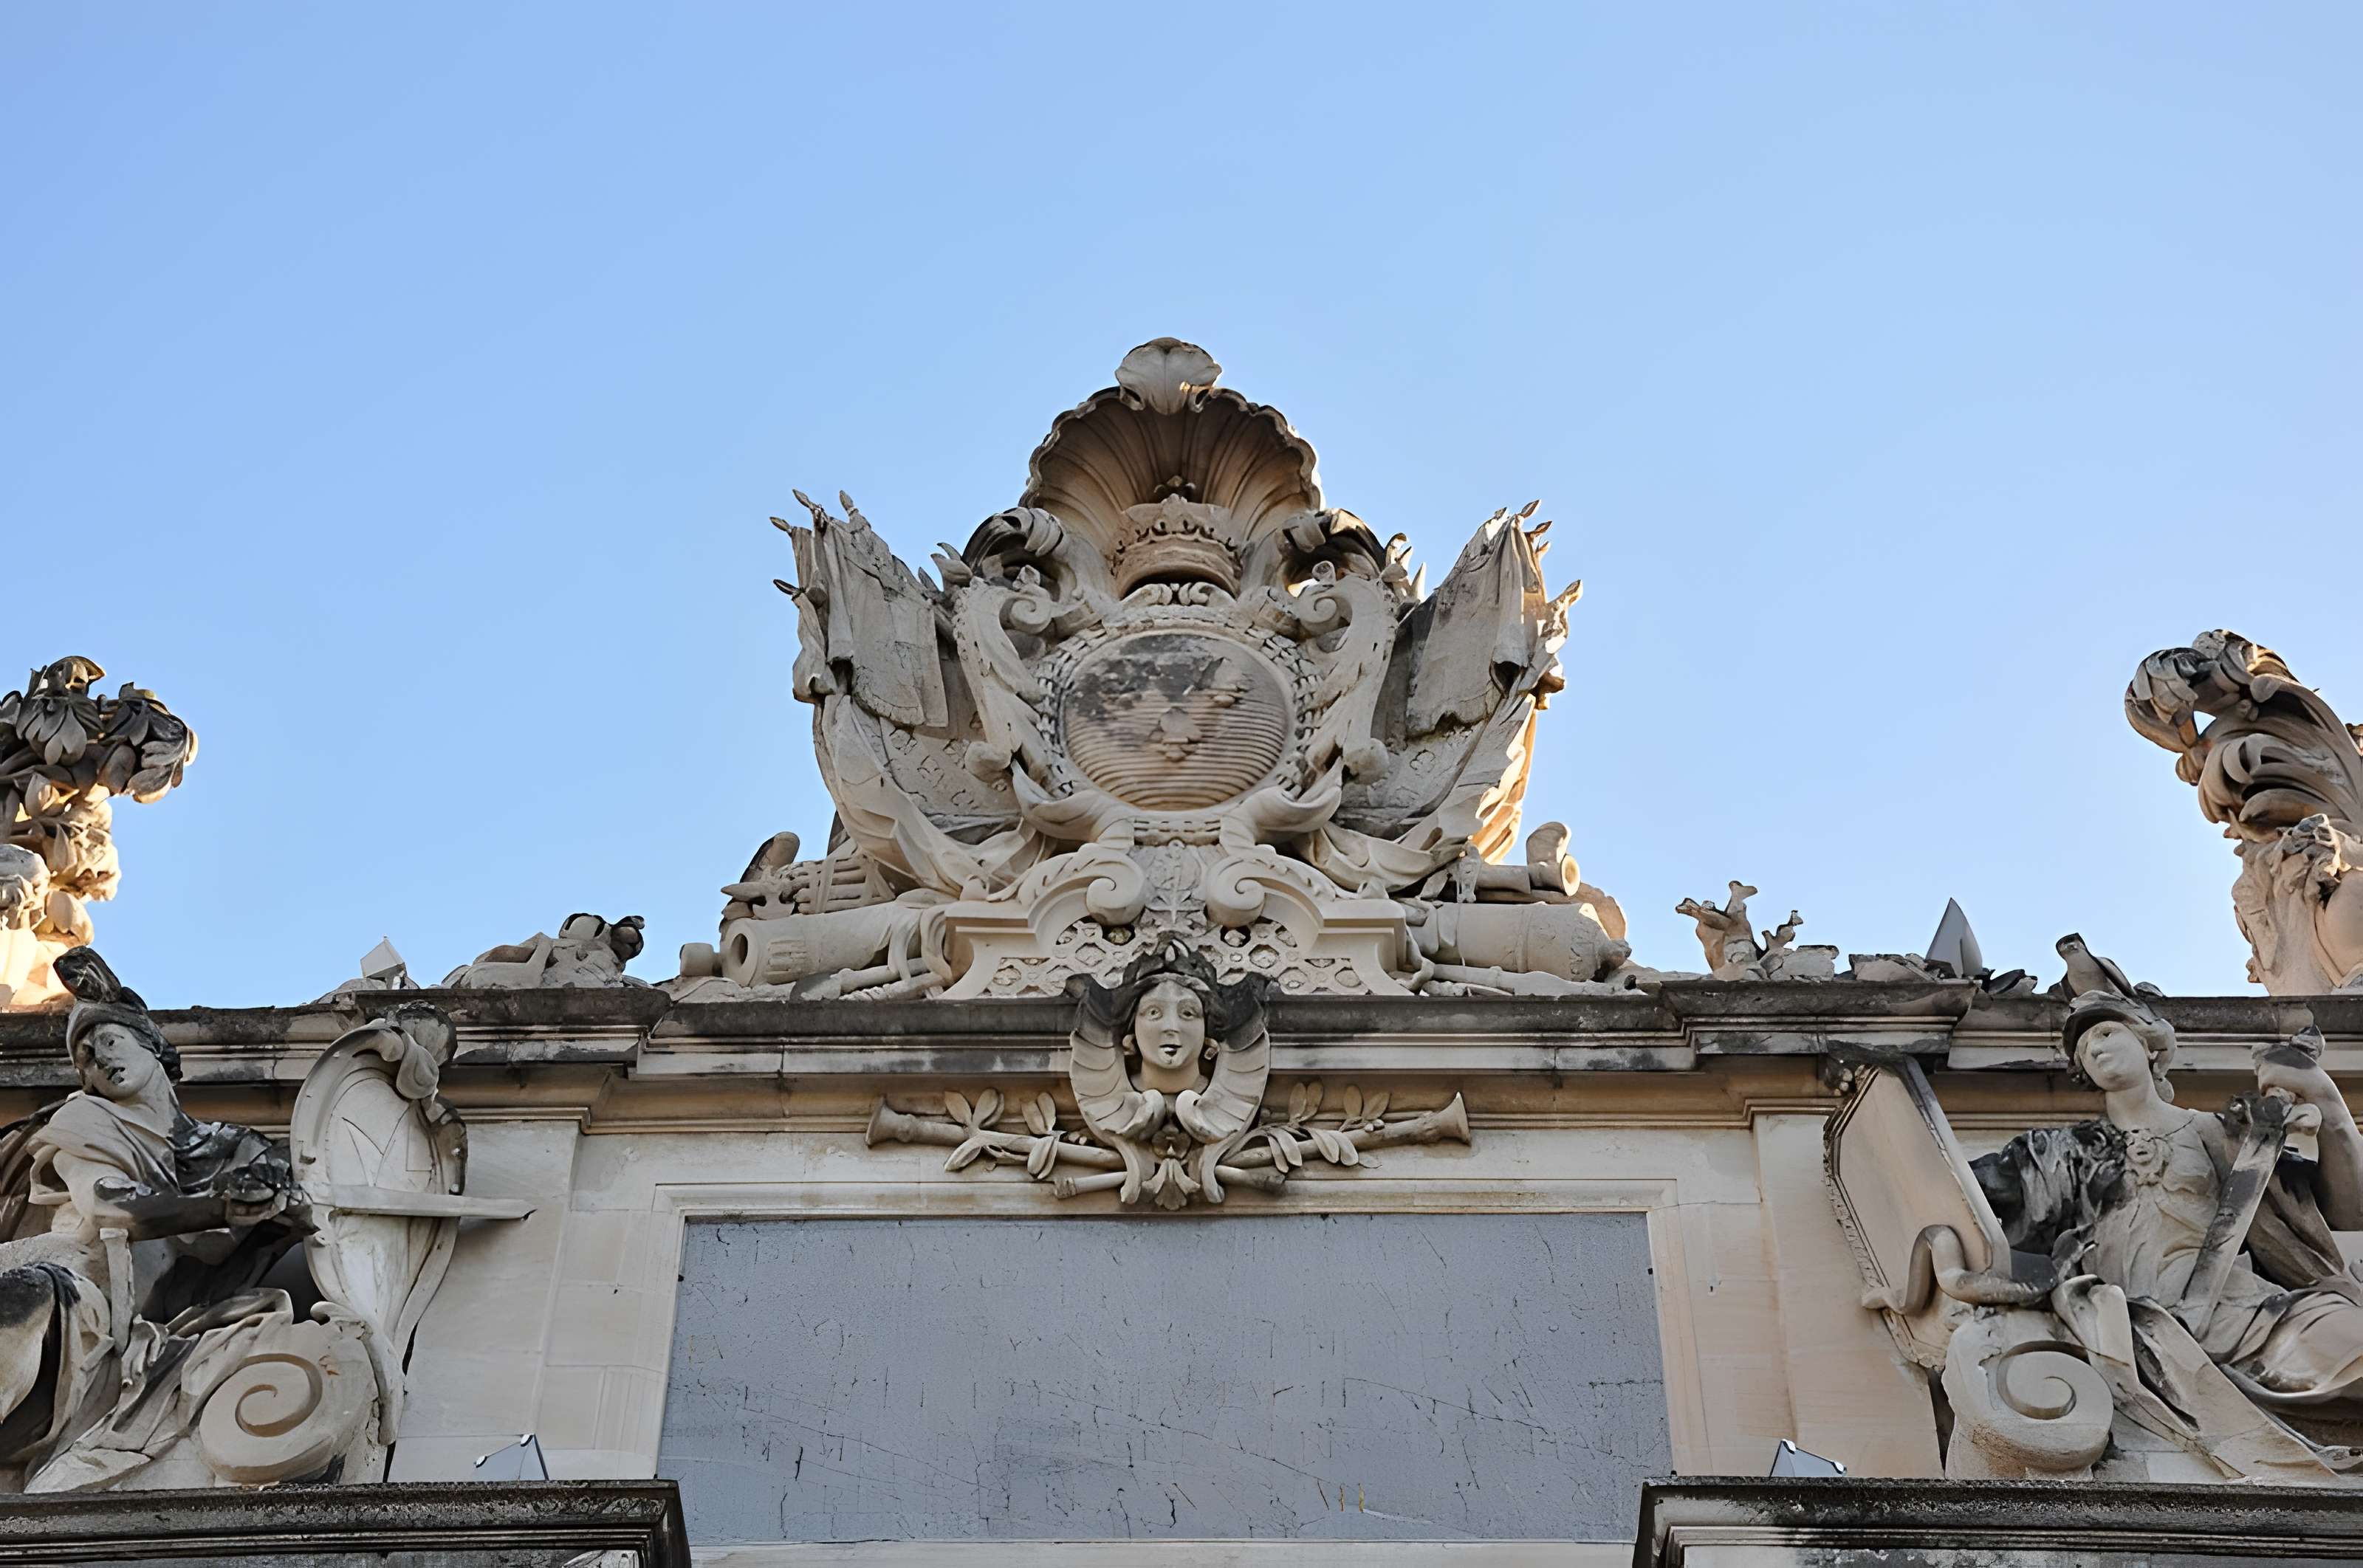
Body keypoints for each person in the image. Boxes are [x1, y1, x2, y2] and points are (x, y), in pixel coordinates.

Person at [1976, 991, 2363, 1407]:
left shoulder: (2222, 1133)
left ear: (2149, 1046)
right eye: (2086, 1050)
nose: (2098, 1047)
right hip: (2131, 1325)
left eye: (2108, 1033)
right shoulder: (2060, 1151)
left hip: (2244, 1311)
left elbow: (2348, 1212)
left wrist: (2333, 1115)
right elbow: (1966, 1193)